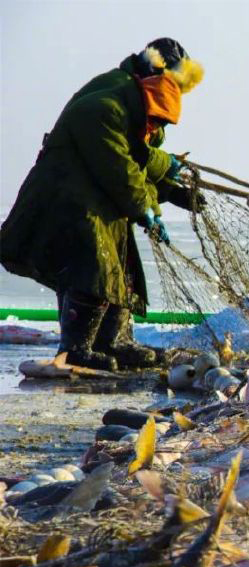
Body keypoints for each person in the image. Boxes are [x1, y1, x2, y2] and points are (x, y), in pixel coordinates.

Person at [0, 42, 203, 371]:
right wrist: (148, 207)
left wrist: (167, 191)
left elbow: (136, 162)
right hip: (66, 197)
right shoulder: (107, 106)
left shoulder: (134, 102)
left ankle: (113, 341)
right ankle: (77, 348)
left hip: (96, 195)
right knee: (93, 266)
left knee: (121, 266)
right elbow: (120, 167)